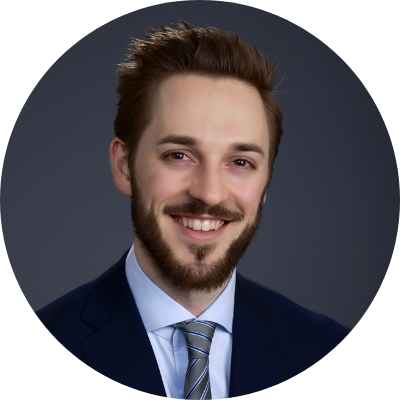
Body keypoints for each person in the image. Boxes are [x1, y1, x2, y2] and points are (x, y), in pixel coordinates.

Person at [37, 21, 349, 399]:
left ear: (266, 182)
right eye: (179, 155)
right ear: (124, 166)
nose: (210, 193)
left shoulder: (331, 354)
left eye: (241, 162)